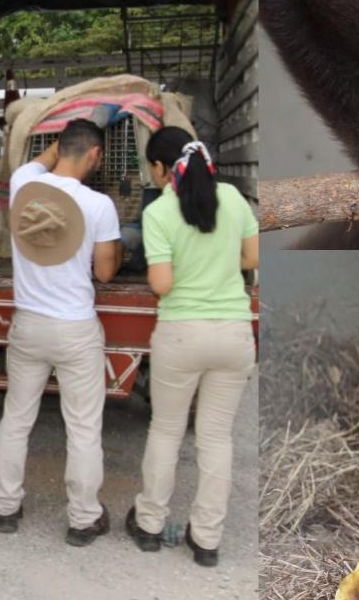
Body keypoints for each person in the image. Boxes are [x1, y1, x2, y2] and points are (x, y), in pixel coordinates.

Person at [125, 126, 258, 567]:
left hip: (182, 335)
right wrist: (220, 262)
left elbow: (162, 284)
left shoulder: (160, 212)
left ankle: (149, 525)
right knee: (216, 438)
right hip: (234, 335)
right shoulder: (235, 200)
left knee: (165, 431)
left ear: (162, 168)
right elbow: (252, 258)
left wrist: (178, 268)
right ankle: (206, 541)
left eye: (151, 167)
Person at [0, 118, 123, 546]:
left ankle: (5, 509)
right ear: (95, 156)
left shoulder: (24, 186)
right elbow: (104, 272)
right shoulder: (99, 205)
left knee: (16, 418)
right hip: (74, 328)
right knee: (83, 427)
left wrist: (54, 147)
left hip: (28, 324)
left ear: (57, 147)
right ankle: (83, 520)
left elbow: (39, 163)